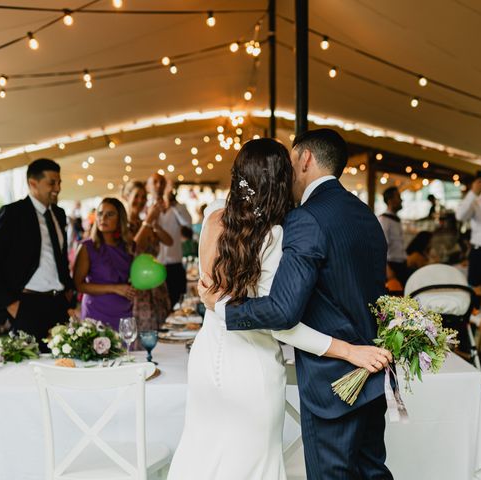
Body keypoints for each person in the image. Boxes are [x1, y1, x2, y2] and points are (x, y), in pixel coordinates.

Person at [168, 137, 392, 480]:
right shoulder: (286, 232)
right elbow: (281, 321)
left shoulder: (213, 220)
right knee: (253, 463)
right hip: (253, 367)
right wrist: (348, 350)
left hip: (206, 358)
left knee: (202, 453)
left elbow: (272, 310)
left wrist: (220, 306)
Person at [0, 159, 73, 350]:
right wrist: (10, 303)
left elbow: (59, 257)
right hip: (27, 305)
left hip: (58, 304)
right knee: (29, 367)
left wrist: (68, 291)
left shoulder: (59, 214)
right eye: (52, 182)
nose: (58, 188)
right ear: (33, 183)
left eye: (59, 182)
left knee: (64, 362)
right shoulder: (13, 213)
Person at [73, 198, 136, 330]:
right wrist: (114, 288)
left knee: (125, 349)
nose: (103, 218)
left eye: (110, 214)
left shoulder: (128, 247)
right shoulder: (87, 247)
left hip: (124, 312)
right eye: (100, 213)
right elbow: (78, 285)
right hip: (96, 313)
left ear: (120, 219)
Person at [122, 181, 172, 334]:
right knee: (143, 333)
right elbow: (134, 248)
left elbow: (169, 241)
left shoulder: (145, 223)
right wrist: (148, 221)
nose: (141, 200)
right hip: (139, 290)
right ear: (126, 196)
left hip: (157, 287)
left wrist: (154, 224)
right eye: (137, 196)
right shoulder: (124, 225)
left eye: (144, 197)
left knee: (161, 331)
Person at [148, 174, 190, 307]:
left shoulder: (176, 207)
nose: (159, 185)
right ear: (148, 186)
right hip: (154, 265)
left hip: (175, 265)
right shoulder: (145, 208)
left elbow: (187, 223)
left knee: (178, 305)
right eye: (155, 182)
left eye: (162, 182)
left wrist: (173, 204)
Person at [379, 186, 411, 286]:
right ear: (390, 200)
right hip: (392, 266)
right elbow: (380, 247)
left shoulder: (395, 219)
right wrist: (387, 270)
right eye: (398, 196)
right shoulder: (384, 220)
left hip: (401, 264)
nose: (401, 200)